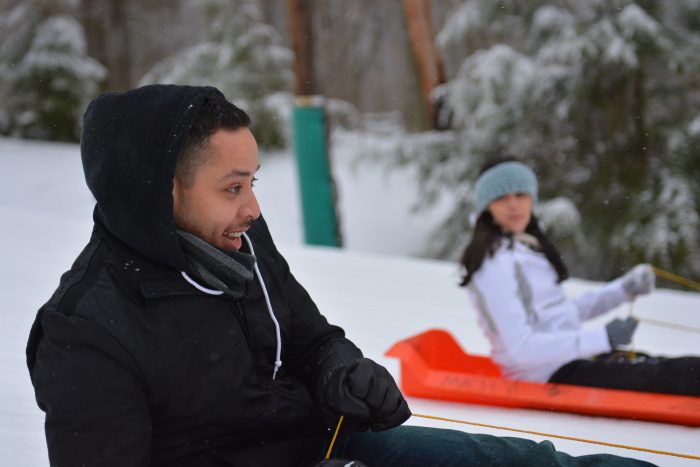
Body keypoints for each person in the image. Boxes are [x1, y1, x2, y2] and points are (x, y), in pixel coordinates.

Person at [26, 84, 655, 467]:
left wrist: (342, 371)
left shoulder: (239, 237)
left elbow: (308, 337)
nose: (254, 207)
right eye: (233, 187)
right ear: (165, 193)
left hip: (329, 444)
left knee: (523, 462)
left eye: (255, 182)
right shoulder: (86, 331)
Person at [459, 157, 700, 397]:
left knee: (680, 368)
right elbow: (521, 349)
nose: (514, 205)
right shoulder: (495, 264)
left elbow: (560, 313)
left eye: (520, 194)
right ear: (487, 206)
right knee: (678, 376)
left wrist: (622, 291)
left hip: (570, 360)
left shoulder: (523, 248)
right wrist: (601, 337)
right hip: (545, 376)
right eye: (502, 197)